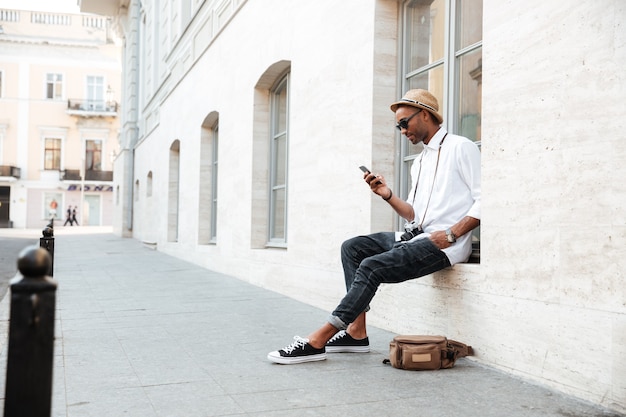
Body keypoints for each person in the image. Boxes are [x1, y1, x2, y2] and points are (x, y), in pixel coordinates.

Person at [267, 89, 481, 364]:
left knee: (371, 266)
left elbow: (485, 199)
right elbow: (414, 214)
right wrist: (387, 194)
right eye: (398, 125)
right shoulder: (420, 161)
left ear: (425, 115)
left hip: (444, 245)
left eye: (404, 123)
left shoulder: (460, 147)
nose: (402, 130)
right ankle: (357, 333)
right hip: (417, 237)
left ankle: (317, 340)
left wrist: (452, 234)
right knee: (353, 248)